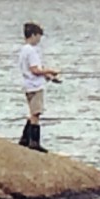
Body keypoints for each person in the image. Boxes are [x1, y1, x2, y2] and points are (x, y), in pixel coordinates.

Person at [17, 21, 60, 152]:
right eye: (38, 36)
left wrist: (48, 77)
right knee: (36, 113)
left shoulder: (24, 50)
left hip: (28, 85)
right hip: (35, 86)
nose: (39, 39)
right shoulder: (31, 51)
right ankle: (34, 142)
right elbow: (35, 70)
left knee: (32, 112)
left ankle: (24, 139)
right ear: (33, 35)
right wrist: (51, 71)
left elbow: (34, 69)